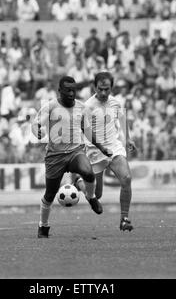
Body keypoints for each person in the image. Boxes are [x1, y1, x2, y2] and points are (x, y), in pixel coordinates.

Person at [31, 76, 112, 238]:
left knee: (88, 173)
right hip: (55, 156)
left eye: (73, 89)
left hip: (76, 152)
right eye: (67, 90)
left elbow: (87, 130)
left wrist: (102, 147)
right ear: (59, 91)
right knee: (50, 194)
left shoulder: (81, 108)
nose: (71, 93)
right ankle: (43, 226)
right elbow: (36, 123)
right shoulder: (50, 106)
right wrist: (38, 131)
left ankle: (91, 197)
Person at [74, 72, 136, 232]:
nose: (103, 93)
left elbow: (122, 119)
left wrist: (128, 138)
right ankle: (79, 183)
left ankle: (124, 219)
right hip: (95, 152)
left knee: (127, 178)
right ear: (94, 87)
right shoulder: (88, 106)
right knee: (98, 194)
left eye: (106, 89)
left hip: (114, 148)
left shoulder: (116, 103)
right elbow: (84, 130)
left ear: (111, 88)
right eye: (100, 89)